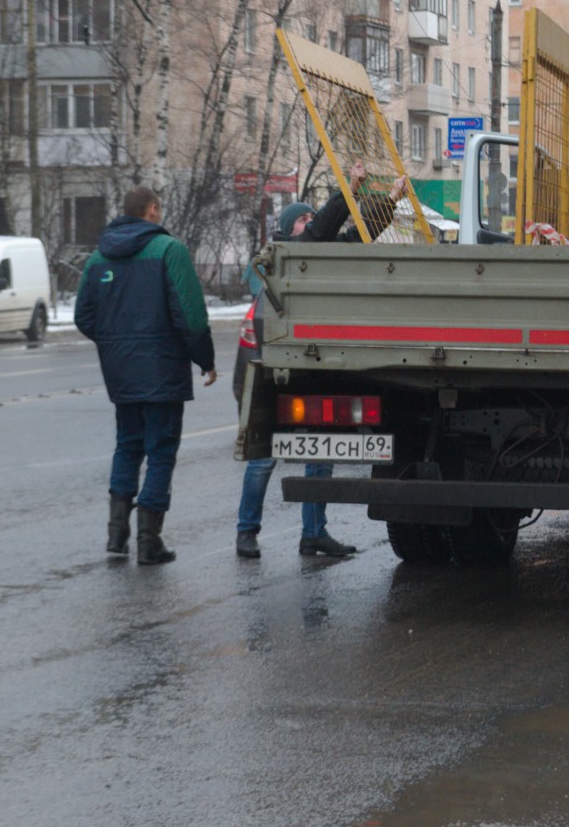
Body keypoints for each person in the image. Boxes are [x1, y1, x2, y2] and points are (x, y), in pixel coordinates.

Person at [235, 163, 404, 560]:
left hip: (313, 362)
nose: (310, 222)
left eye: (313, 215)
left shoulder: (318, 251)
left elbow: (356, 238)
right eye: (304, 219)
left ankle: (314, 534)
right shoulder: (282, 254)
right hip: (272, 368)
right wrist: (350, 187)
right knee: (261, 461)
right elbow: (322, 230)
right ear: (290, 227)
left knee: (321, 454)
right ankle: (246, 532)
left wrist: (390, 202)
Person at [74, 187, 217, 565]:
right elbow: (191, 317)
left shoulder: (99, 257)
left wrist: (115, 343)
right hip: (163, 368)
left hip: (120, 371)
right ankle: (149, 540)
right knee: (161, 450)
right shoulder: (169, 251)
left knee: (128, 445)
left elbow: (83, 317)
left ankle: (116, 537)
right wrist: (204, 359)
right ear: (152, 210)